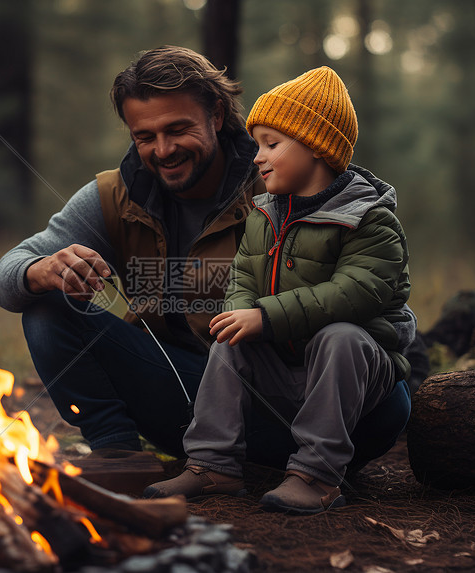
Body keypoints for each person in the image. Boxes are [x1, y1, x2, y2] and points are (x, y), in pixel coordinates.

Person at [143, 67, 417, 514]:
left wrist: (266, 316)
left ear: (316, 147)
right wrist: (240, 314)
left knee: (340, 335)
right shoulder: (264, 214)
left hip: (359, 373)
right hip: (287, 368)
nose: (257, 157)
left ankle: (317, 475)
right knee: (230, 343)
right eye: (257, 145)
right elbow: (242, 279)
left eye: (272, 144)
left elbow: (356, 291)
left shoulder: (369, 218)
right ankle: (213, 465)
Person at [0, 46, 264, 456]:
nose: (163, 150)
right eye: (145, 137)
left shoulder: (276, 181)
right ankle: (117, 453)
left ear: (218, 115)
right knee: (47, 306)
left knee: (388, 402)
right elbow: (6, 274)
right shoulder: (115, 195)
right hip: (179, 397)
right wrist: (42, 269)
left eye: (177, 129)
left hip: (273, 403)